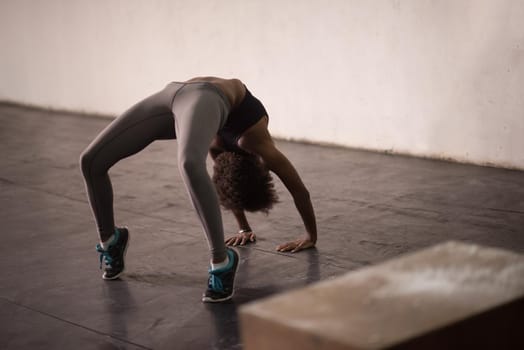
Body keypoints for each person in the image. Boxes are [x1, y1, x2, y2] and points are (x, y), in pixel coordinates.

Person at [79, 76, 317, 303]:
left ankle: (219, 260)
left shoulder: (221, 145)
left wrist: (244, 227)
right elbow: (298, 189)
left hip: (185, 95)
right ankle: (111, 239)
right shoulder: (255, 143)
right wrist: (310, 236)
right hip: (191, 94)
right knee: (91, 161)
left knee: (188, 164)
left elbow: (227, 184)